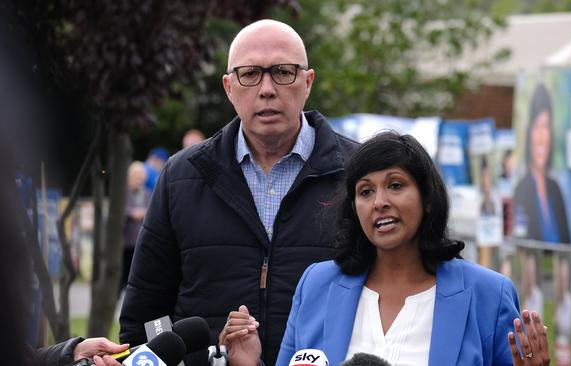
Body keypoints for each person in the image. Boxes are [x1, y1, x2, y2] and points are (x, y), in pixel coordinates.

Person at [118, 19, 357, 365]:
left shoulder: (359, 176)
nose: (267, 89)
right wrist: (177, 356)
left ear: (308, 82)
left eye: (283, 72)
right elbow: (148, 311)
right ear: (229, 87)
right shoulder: (182, 177)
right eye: (250, 74)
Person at [221, 132, 549, 365]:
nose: (380, 202)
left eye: (395, 185)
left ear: (429, 200)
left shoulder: (488, 295)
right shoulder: (317, 285)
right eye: (365, 191)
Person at [512, 83, 570, 244]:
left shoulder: (555, 189)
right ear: (528, 132)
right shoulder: (521, 190)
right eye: (536, 126)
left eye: (545, 126)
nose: (541, 136)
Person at [120, 161, 151, 293]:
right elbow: (117, 212)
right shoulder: (122, 193)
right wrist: (131, 213)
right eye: (135, 176)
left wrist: (144, 212)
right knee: (123, 276)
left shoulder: (148, 194)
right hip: (126, 243)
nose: (138, 179)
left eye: (140, 177)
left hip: (143, 243)